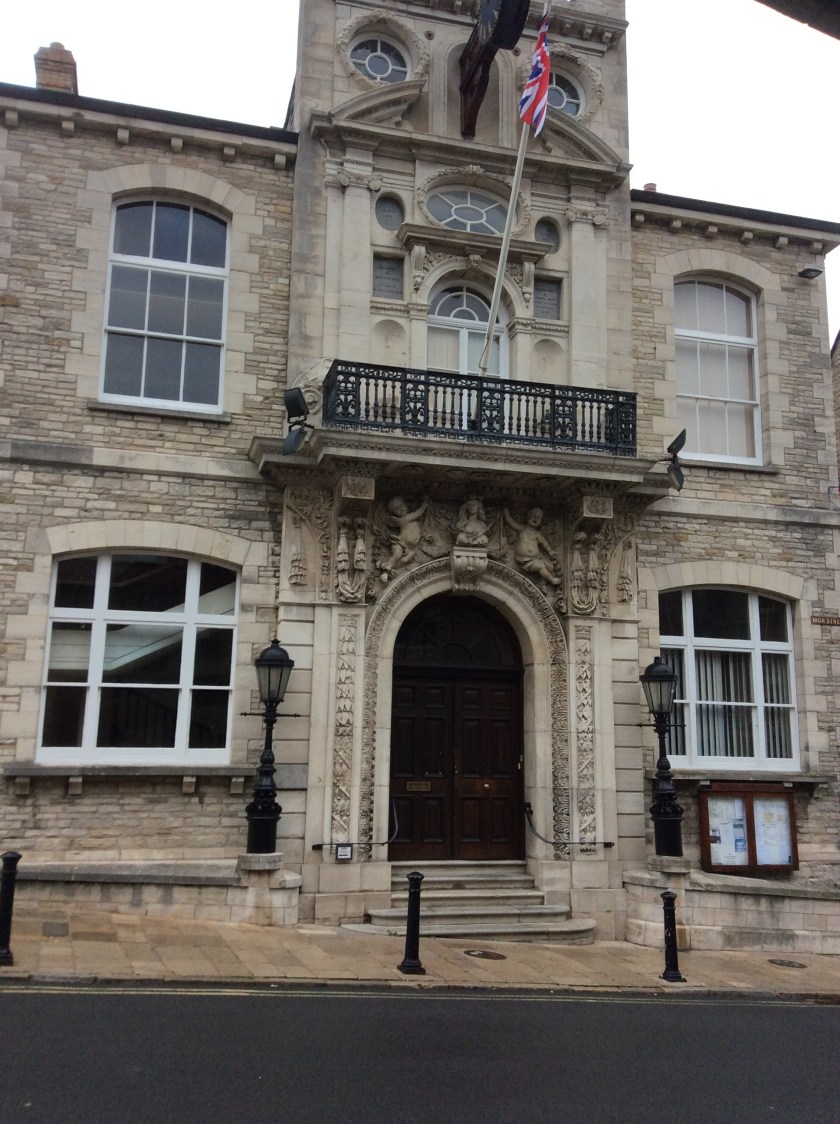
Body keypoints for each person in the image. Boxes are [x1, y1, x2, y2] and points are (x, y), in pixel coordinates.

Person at [503, 506, 561, 585]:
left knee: (550, 566)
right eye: (533, 516)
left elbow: (544, 543)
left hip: (534, 559)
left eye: (539, 518)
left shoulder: (537, 534)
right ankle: (552, 580)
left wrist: (550, 550)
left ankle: (542, 582)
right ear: (528, 516)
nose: (536, 519)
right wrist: (506, 510)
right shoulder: (522, 529)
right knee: (541, 566)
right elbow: (510, 521)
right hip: (523, 559)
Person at [380, 495, 428, 577]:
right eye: (396, 509)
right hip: (401, 542)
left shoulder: (406, 518)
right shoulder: (405, 518)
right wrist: (424, 505)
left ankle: (389, 569)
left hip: (411, 547)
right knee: (397, 555)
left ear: (406, 504)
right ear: (394, 513)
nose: (400, 508)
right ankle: (386, 569)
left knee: (405, 559)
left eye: (401, 505)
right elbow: (418, 513)